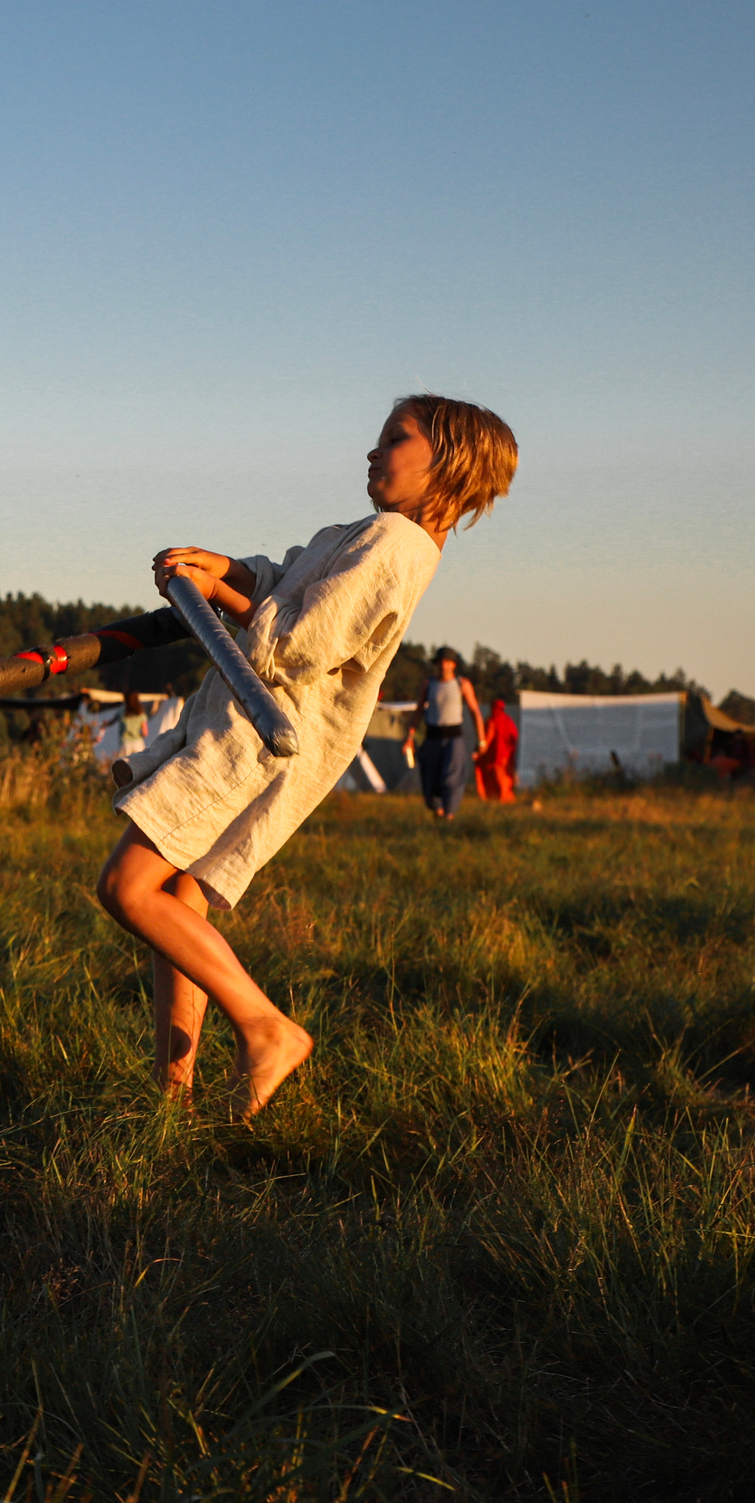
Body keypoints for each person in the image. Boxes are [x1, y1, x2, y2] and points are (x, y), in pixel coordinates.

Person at [96, 393, 517, 1119]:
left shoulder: (397, 545)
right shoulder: (371, 533)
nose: (373, 450)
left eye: (395, 438)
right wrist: (224, 567)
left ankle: (267, 1028)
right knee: (180, 899)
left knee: (129, 887)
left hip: (257, 733)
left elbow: (297, 641)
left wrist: (212, 592)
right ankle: (173, 1095)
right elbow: (287, 579)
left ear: (445, 461)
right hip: (263, 732)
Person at [408, 648, 484, 820]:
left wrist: (481, 741)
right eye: (441, 661)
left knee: (451, 779)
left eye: (447, 661)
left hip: (453, 738)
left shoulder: (462, 684)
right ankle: (438, 811)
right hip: (432, 737)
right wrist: (409, 737)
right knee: (430, 778)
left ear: (454, 664)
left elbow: (475, 712)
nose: (444, 665)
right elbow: (418, 711)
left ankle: (449, 815)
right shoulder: (429, 684)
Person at [475, 696, 519, 802]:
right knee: (506, 781)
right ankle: (507, 801)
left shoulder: (492, 721)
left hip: (495, 757)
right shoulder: (509, 721)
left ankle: (499, 800)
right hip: (507, 758)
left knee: (496, 781)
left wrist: (479, 752)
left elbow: (488, 739)